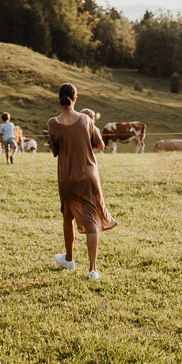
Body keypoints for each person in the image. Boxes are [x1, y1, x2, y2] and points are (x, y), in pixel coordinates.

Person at [48, 82, 117, 280]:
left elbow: (55, 151)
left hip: (67, 177)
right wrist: (85, 148)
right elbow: (101, 145)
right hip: (89, 176)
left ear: (58, 99)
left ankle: (69, 259)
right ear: (75, 99)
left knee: (67, 217)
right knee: (92, 219)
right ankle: (93, 270)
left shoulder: (53, 123)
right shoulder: (87, 120)